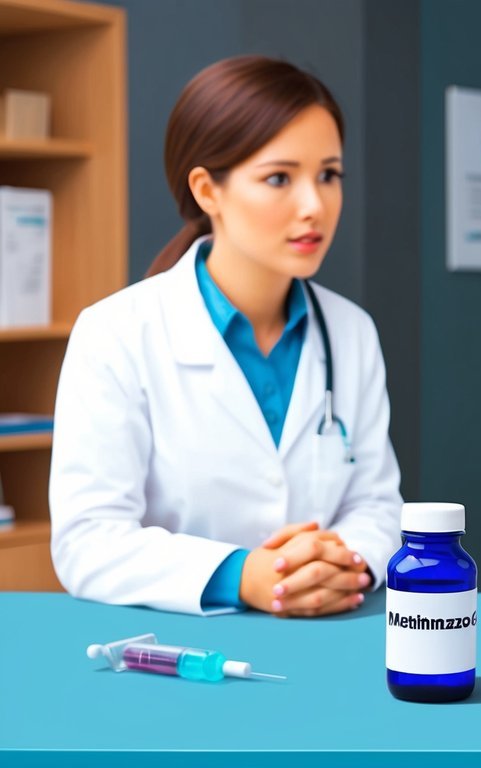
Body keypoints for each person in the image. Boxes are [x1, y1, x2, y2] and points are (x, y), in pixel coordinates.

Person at [49, 56, 402, 617]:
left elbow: (377, 505)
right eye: (279, 178)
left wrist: (342, 563)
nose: (315, 205)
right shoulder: (115, 334)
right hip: (180, 657)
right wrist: (245, 576)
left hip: (330, 633)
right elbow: (86, 541)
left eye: (329, 174)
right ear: (207, 191)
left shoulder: (351, 332)